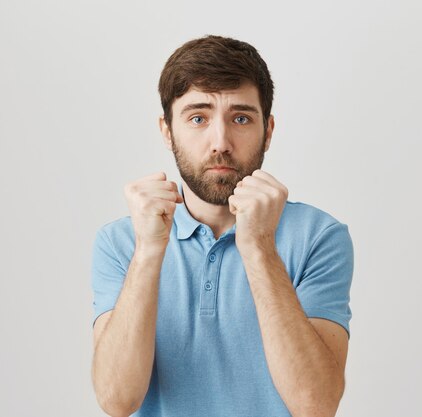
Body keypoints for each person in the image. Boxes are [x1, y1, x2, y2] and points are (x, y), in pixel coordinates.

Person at [90, 35, 354, 417]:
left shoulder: (319, 237)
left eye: (241, 118)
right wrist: (148, 250)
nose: (221, 142)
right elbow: (116, 401)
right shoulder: (120, 241)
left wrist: (260, 246)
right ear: (167, 130)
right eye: (198, 117)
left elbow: (316, 403)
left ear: (269, 129)